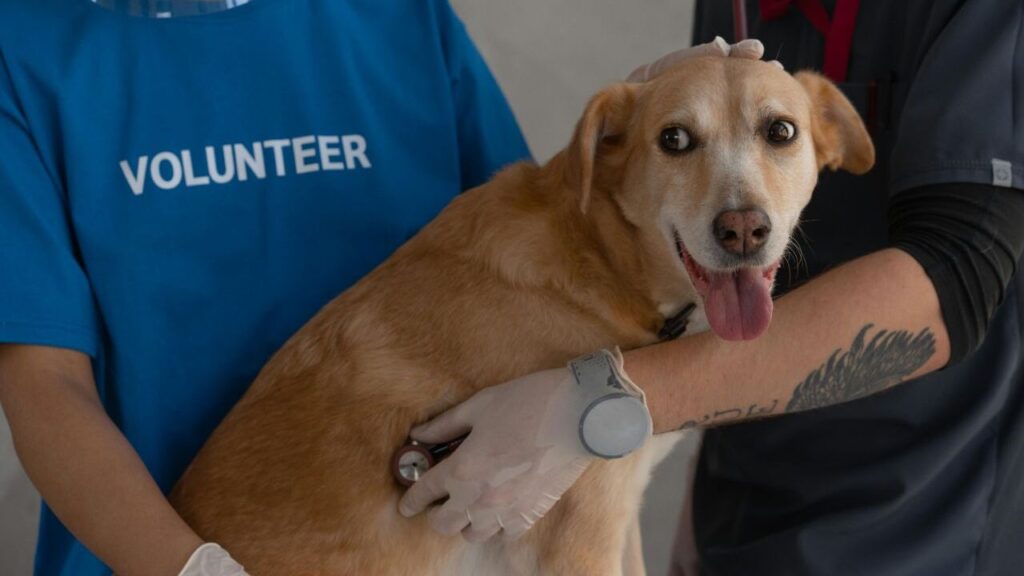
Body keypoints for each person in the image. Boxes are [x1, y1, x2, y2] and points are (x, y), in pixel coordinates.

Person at [399, 1, 1024, 575]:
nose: (739, 214)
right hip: (735, 510)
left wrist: (592, 407)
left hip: (919, 524)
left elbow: (958, 275)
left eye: (779, 133)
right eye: (677, 141)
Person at [0, 0, 532, 574]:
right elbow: (43, 384)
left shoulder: (404, 18)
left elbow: (540, 269)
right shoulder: (22, 45)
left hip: (422, 547)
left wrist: (590, 411)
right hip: (151, 553)